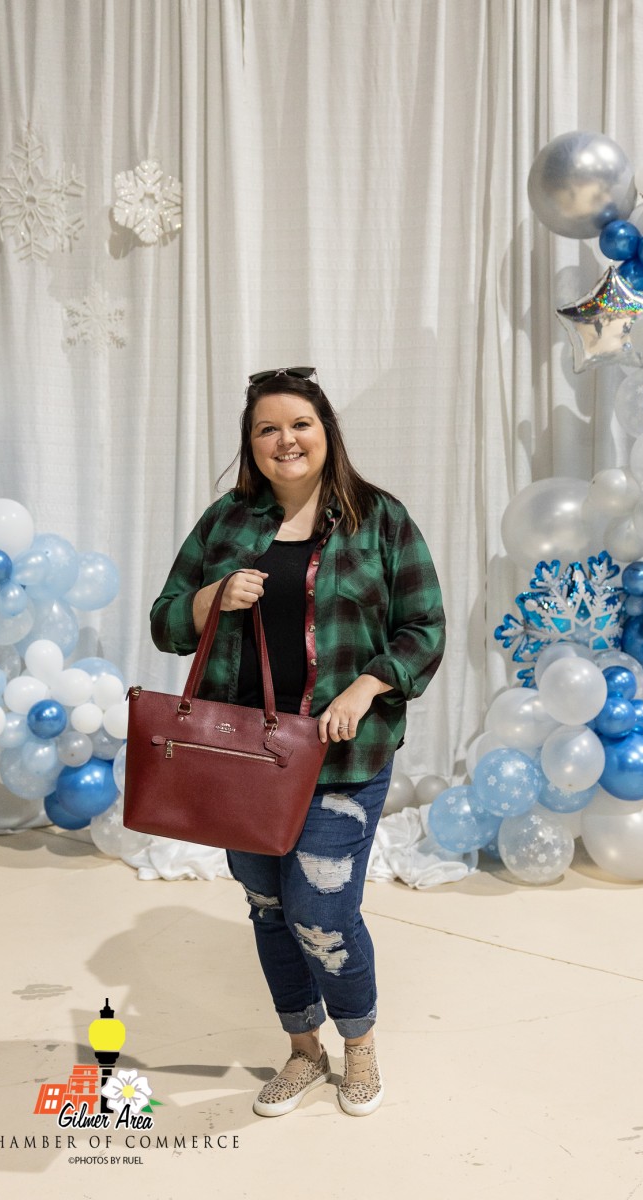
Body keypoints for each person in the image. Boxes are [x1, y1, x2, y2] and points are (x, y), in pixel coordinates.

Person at [150, 367, 445, 1118]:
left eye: (300, 424)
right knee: (268, 907)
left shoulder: (379, 519)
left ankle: (359, 1044)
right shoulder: (227, 521)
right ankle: (303, 1050)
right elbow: (166, 621)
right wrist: (211, 597)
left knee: (322, 913)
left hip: (340, 758)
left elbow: (424, 627)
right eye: (268, 428)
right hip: (241, 760)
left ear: (326, 431)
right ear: (251, 443)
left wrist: (367, 686)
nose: (286, 439)